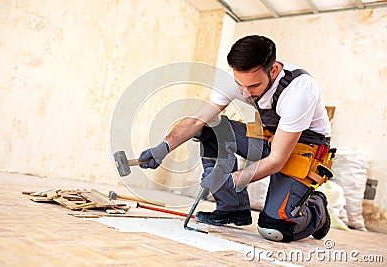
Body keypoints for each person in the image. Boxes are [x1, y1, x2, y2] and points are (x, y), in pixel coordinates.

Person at [138, 35, 333, 242]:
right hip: (269, 138)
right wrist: (164, 146)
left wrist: (229, 179)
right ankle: (231, 208)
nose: (245, 93)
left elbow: (277, 160)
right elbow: (197, 120)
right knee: (211, 127)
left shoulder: (299, 90)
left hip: (303, 149)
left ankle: (316, 208)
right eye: (240, 84)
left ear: (274, 70)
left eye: (254, 86)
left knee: (275, 229)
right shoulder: (238, 81)